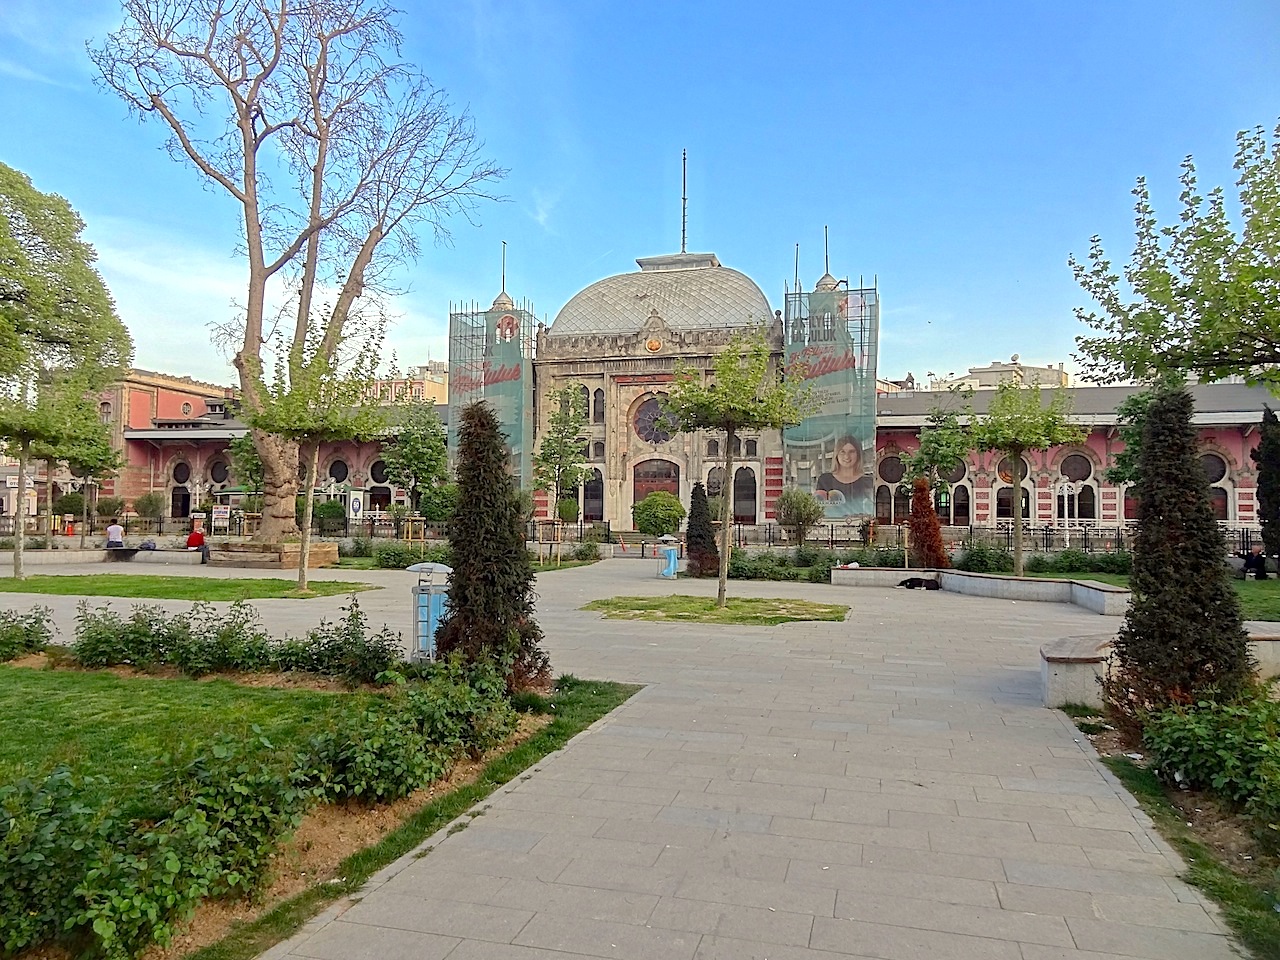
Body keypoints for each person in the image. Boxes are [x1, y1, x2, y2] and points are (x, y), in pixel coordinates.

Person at [815, 436, 873, 515]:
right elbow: (819, 509)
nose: (846, 456)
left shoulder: (869, 481)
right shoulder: (825, 480)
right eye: (842, 451)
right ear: (836, 454)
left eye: (851, 451)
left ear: (858, 454)